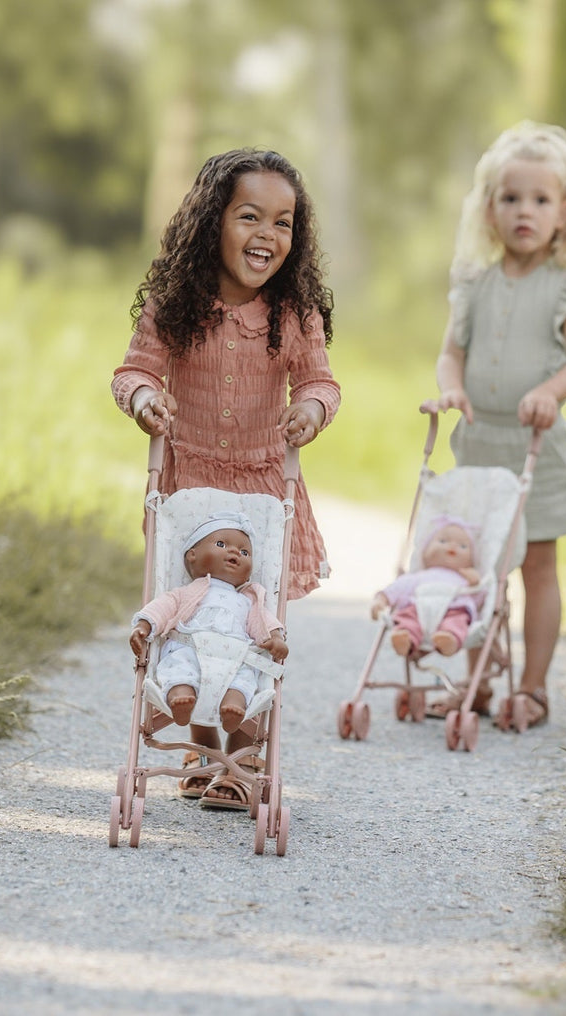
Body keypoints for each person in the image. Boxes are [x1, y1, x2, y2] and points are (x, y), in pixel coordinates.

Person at [113, 148, 339, 806]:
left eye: (283, 223)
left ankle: (240, 759)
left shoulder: (293, 314)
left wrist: (310, 409)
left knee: (249, 620)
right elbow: (134, 370)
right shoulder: (176, 305)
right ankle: (201, 746)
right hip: (191, 488)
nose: (268, 235)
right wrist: (144, 399)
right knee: (192, 616)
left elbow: (321, 382)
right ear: (213, 220)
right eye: (250, 217)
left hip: (263, 489)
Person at [432, 121, 566, 728]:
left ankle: (533, 688)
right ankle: (478, 683)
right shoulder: (474, 281)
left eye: (540, 200)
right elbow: (451, 352)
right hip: (479, 441)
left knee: (537, 566)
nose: (524, 211)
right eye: (511, 198)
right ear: (489, 209)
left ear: (565, 212)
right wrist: (452, 388)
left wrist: (548, 392)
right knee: (478, 565)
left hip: (537, 446)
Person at [129, 513, 288, 741]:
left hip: (234, 658)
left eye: (244, 552)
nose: (235, 552)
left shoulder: (249, 599)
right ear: (192, 555)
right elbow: (163, 607)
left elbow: (263, 621)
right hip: (190, 648)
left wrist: (275, 638)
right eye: (221, 544)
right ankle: (180, 695)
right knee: (179, 666)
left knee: (243, 678)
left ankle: (234, 705)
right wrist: (144, 625)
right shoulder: (186, 592)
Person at [370, 516, 484, 658]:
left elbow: (478, 601)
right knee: (407, 618)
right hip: (417, 609)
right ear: (425, 552)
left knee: (459, 620)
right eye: (443, 541)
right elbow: (396, 588)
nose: (452, 546)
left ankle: (450, 639)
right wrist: (381, 600)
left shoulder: (464, 579)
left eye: (463, 546)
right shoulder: (419, 577)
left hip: (452, 610)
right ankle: (406, 639)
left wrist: (475, 583)